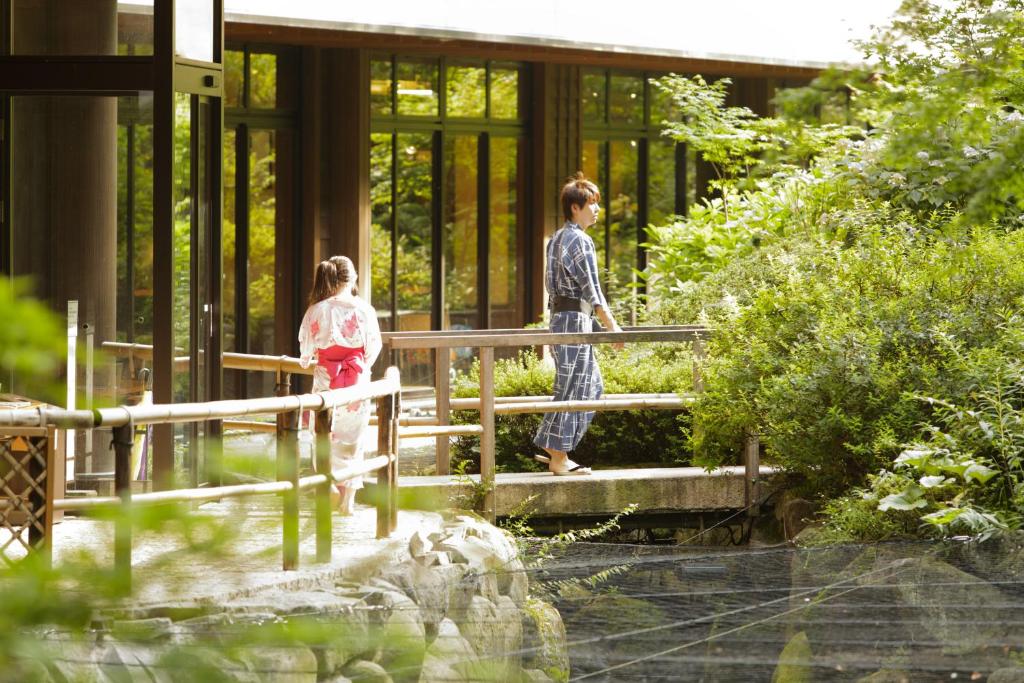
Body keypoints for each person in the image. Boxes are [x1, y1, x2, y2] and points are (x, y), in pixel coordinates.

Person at [533, 172, 623, 475]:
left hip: (561, 318)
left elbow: (555, 286)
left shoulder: (555, 239)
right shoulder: (580, 241)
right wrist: (611, 326)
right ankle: (558, 454)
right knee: (575, 388)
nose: (597, 209)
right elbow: (592, 287)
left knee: (585, 385)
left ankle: (554, 446)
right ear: (575, 207)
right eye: (591, 204)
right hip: (573, 321)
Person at [298, 255, 382, 514]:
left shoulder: (317, 310)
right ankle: (349, 502)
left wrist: (314, 358)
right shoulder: (364, 310)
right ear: (353, 277)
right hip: (356, 380)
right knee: (353, 440)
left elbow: (306, 352)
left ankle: (329, 486)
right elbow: (373, 348)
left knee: (323, 435)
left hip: (326, 379)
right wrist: (359, 364)